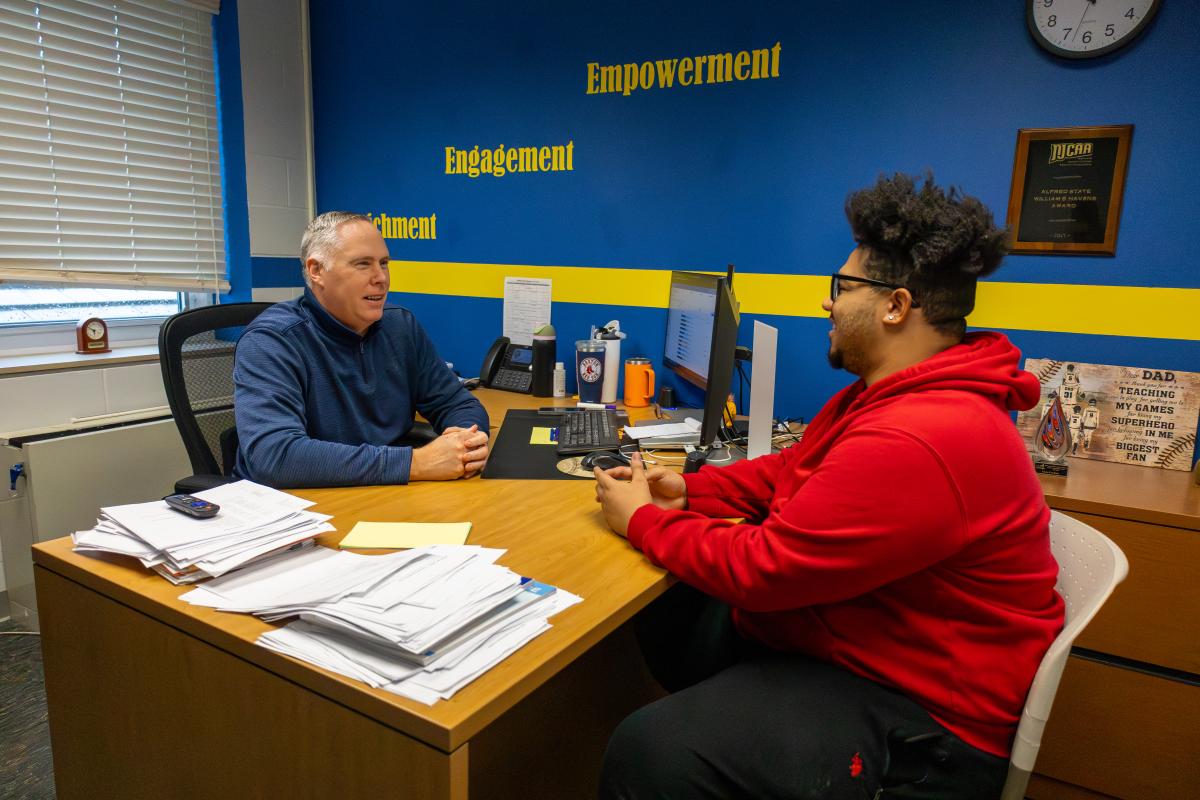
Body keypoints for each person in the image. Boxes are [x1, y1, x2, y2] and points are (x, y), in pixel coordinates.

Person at [593, 174, 1064, 799]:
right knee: (672, 610)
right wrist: (690, 492)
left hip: (927, 724)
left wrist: (643, 521)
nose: (828, 303)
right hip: (867, 643)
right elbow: (790, 473)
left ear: (896, 306)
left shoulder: (927, 434)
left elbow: (767, 570)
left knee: (652, 750)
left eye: (842, 287)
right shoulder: (890, 396)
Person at [233, 211, 489, 488]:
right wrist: (418, 463)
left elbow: (457, 403)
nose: (381, 278)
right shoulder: (271, 341)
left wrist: (465, 444)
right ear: (316, 270)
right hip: (296, 507)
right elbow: (274, 457)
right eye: (362, 264)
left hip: (379, 491)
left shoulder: (400, 326)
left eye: (384, 263)